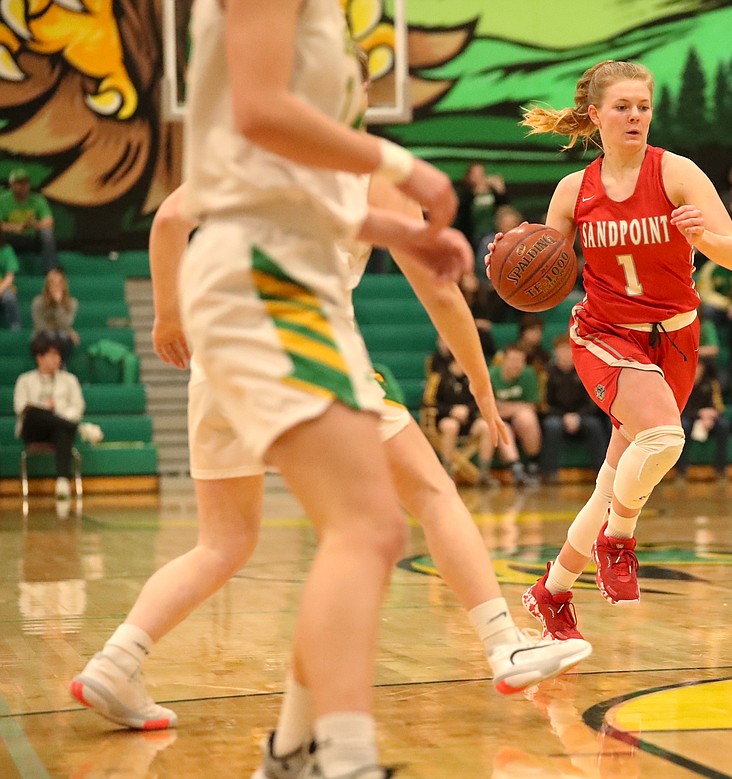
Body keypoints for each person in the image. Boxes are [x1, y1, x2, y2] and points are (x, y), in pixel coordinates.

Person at [66, 10, 578, 778]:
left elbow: (173, 216)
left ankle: (137, 666)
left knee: (245, 540)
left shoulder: (271, 150)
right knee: (400, 512)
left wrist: (172, 315)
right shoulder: (312, 121)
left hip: (229, 332)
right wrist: (410, 181)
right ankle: (434, 684)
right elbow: (438, 295)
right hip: (284, 313)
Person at [501, 59, 732, 640]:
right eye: (623, 106)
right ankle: (620, 537)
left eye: (643, 106)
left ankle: (552, 592)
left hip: (677, 336)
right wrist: (515, 263)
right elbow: (545, 273)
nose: (636, 115)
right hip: (606, 335)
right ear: (596, 115)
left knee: (615, 474)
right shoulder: (573, 191)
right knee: (664, 439)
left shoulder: (678, 173)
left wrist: (701, 236)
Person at [13, 335, 84, 499]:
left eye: (58, 355)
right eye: (51, 355)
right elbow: (20, 408)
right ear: (39, 357)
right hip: (33, 428)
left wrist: (57, 413)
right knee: (36, 414)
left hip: (59, 427)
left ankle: (62, 481)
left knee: (60, 428)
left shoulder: (69, 380)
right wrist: (44, 409)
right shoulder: (25, 380)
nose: (56, 359)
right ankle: (77, 428)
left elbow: (77, 406)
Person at [541, 334, 607, 481]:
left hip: (582, 415)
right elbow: (544, 403)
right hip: (556, 415)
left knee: (594, 425)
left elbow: (593, 401)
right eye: (562, 350)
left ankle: (603, 471)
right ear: (555, 352)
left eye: (568, 349)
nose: (565, 354)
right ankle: (549, 472)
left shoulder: (584, 370)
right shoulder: (548, 373)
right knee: (552, 426)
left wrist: (578, 416)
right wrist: (563, 416)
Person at [427, 356, 497, 485]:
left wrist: (467, 410)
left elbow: (481, 400)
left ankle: (484, 472)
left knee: (486, 427)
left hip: (468, 421)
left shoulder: (473, 378)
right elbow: (429, 403)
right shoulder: (439, 377)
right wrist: (451, 411)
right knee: (451, 426)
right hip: (445, 419)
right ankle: (448, 471)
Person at [489, 342, 543, 485]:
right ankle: (516, 468)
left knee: (527, 417)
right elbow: (492, 410)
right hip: (498, 421)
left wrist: (506, 407)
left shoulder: (528, 374)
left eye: (520, 361)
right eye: (513, 360)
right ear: (504, 361)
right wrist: (518, 406)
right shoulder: (492, 374)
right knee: (502, 426)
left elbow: (533, 406)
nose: (517, 365)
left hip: (519, 421)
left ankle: (533, 464)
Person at [678, 358, 729, 480]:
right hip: (688, 417)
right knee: (683, 427)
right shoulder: (682, 383)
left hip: (708, 419)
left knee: (723, 426)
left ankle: (721, 470)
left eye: (699, 367)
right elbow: (679, 409)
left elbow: (719, 407)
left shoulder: (711, 383)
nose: (697, 370)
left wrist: (711, 414)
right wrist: (699, 414)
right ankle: (681, 470)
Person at [0, 169, 57, 272]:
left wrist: (35, 224)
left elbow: (49, 222)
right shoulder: (3, 200)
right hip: (11, 237)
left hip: (32, 237)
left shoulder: (38, 200)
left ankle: (51, 270)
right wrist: (13, 227)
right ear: (12, 185)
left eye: (26, 183)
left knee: (47, 233)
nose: (23, 187)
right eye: (19, 183)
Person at [31, 268, 80, 362]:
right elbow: (39, 326)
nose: (56, 287)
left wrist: (59, 305)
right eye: (52, 283)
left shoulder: (72, 303)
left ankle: (61, 367)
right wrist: (65, 330)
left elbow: (65, 324)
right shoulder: (38, 302)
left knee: (64, 339)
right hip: (41, 336)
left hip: (61, 336)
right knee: (52, 337)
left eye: (59, 283)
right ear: (47, 286)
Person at [458, 161, 508, 247]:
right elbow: (462, 216)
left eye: (481, 174)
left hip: (494, 232)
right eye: (475, 174)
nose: (479, 177)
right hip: (473, 236)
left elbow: (505, 210)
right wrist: (474, 194)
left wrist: (501, 191)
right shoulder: (466, 194)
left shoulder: (492, 192)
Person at [476, 204, 523, 284]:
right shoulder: (489, 242)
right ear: (499, 225)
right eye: (507, 226)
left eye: (513, 225)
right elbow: (481, 268)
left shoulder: (525, 241)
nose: (510, 229)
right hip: (495, 285)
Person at [0, 238, 18, 330]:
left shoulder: (7, 250)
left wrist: (0, 289)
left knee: (9, 297)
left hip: (2, 285)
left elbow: (10, 276)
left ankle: (15, 328)